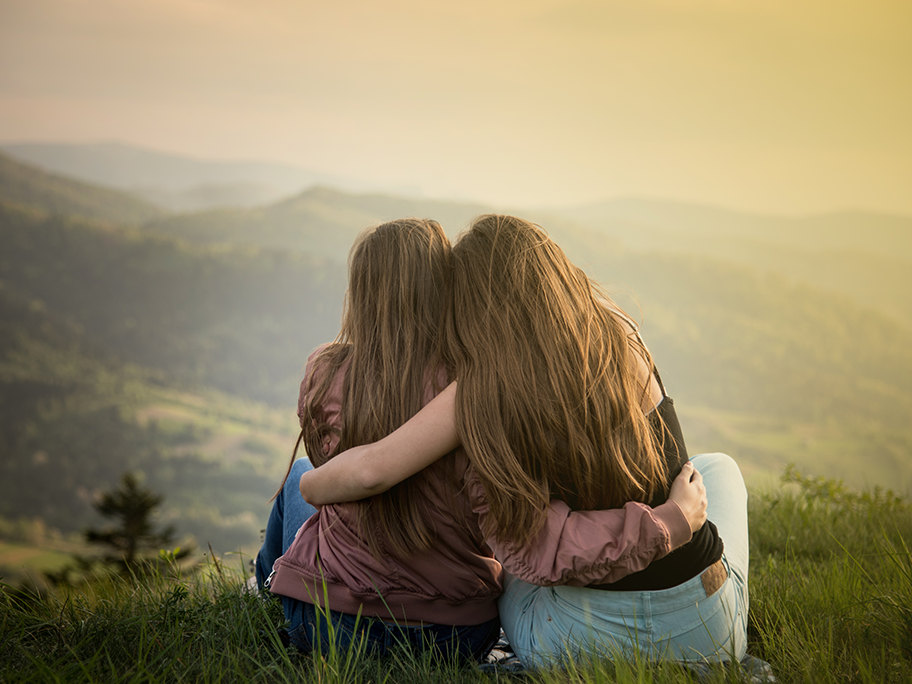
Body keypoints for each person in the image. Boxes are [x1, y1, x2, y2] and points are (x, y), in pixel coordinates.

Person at [299, 214, 749, 668]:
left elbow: (543, 551)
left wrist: (311, 485)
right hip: (709, 630)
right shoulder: (623, 336)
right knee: (716, 468)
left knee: (514, 553)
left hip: (570, 642)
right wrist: (675, 518)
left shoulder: (488, 394)